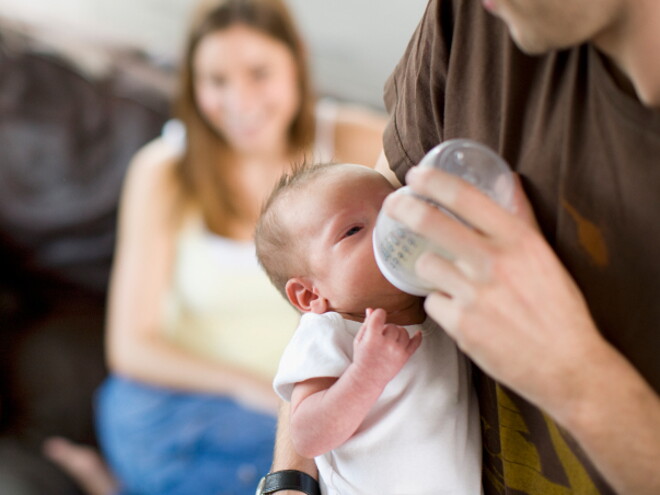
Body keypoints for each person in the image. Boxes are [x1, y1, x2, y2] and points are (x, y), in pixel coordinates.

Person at [265, 0, 660, 494]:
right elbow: (310, 419)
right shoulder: (471, 19)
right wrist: (288, 484)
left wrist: (574, 374)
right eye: (355, 232)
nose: (393, 225)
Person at [43, 1, 387, 495]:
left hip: (310, 403)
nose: (240, 101)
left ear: (297, 61)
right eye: (216, 81)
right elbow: (131, 345)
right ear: (192, 85)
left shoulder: (356, 141)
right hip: (178, 401)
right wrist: (250, 389)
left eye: (258, 73)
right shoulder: (162, 170)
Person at [254, 162, 482, 494]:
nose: (392, 229)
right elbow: (306, 436)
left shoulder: (437, 302)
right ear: (310, 293)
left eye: (394, 210)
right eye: (353, 230)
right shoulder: (329, 332)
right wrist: (366, 374)